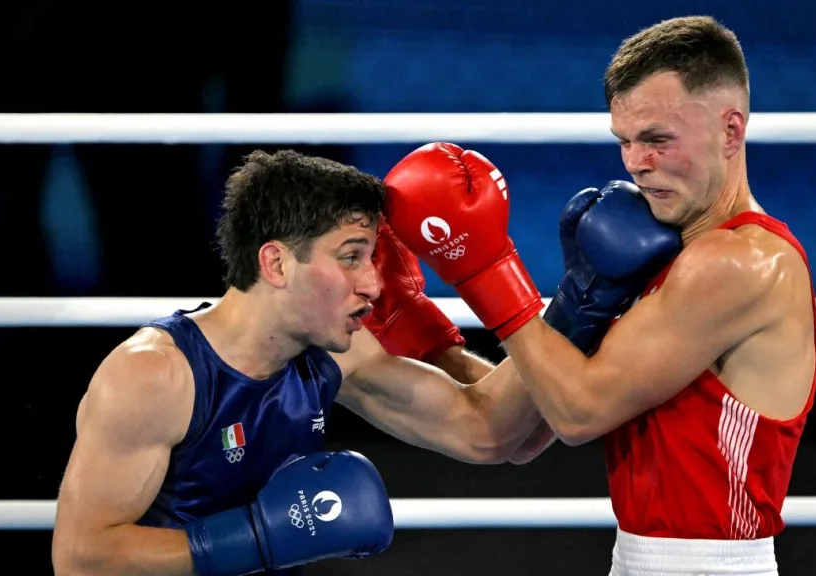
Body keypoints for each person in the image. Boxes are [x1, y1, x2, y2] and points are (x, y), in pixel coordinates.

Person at [381, 15, 816, 576]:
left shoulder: (738, 262)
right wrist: (417, 325)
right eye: (626, 142)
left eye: (658, 140)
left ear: (731, 131)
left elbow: (577, 411)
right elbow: (528, 428)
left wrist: (486, 271)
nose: (637, 162)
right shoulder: (668, 252)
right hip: (639, 555)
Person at [50, 149, 552, 576]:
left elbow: (490, 430)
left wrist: (572, 306)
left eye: (374, 259)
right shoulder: (156, 375)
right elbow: (80, 556)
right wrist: (256, 539)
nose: (374, 285)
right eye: (352, 257)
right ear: (275, 263)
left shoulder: (333, 356)